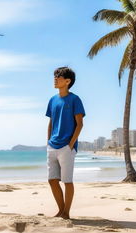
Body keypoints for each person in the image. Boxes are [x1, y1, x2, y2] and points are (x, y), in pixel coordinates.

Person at [46, 67, 85, 219]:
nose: (55, 79)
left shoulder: (75, 99)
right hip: (52, 145)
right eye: (54, 76)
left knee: (67, 181)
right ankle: (61, 211)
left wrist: (70, 144)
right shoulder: (52, 100)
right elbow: (51, 122)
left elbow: (80, 124)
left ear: (67, 81)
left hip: (66, 147)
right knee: (52, 180)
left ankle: (66, 213)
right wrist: (48, 141)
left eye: (59, 77)